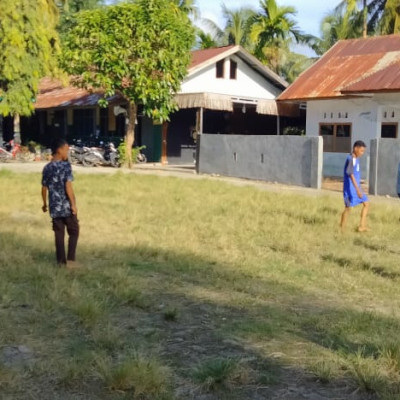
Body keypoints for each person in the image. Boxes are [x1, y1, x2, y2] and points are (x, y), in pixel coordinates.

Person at [41, 138, 80, 267]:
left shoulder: (47, 168)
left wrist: (45, 204)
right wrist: (73, 205)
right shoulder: (65, 166)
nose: (67, 153)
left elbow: (44, 188)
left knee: (59, 234)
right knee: (74, 231)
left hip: (54, 207)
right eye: (66, 150)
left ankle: (61, 262)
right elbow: (68, 187)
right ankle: (71, 259)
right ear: (59, 150)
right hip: (66, 206)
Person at [340, 140, 369, 232]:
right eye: (361, 151)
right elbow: (350, 174)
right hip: (350, 189)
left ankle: (362, 226)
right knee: (348, 208)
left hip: (357, 188)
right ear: (355, 148)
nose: (362, 153)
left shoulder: (356, 159)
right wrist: (357, 189)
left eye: (363, 151)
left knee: (367, 204)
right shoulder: (351, 159)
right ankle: (342, 229)